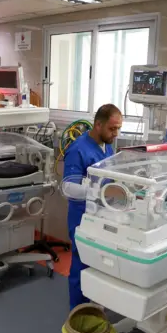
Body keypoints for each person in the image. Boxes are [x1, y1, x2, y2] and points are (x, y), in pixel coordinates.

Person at [63, 104, 122, 309]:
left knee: (100, 265)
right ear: (98, 125)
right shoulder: (78, 149)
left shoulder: (107, 147)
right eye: (112, 129)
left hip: (102, 216)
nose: (116, 133)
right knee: (81, 266)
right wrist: (101, 193)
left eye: (118, 129)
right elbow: (69, 188)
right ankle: (77, 314)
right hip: (82, 218)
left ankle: (95, 307)